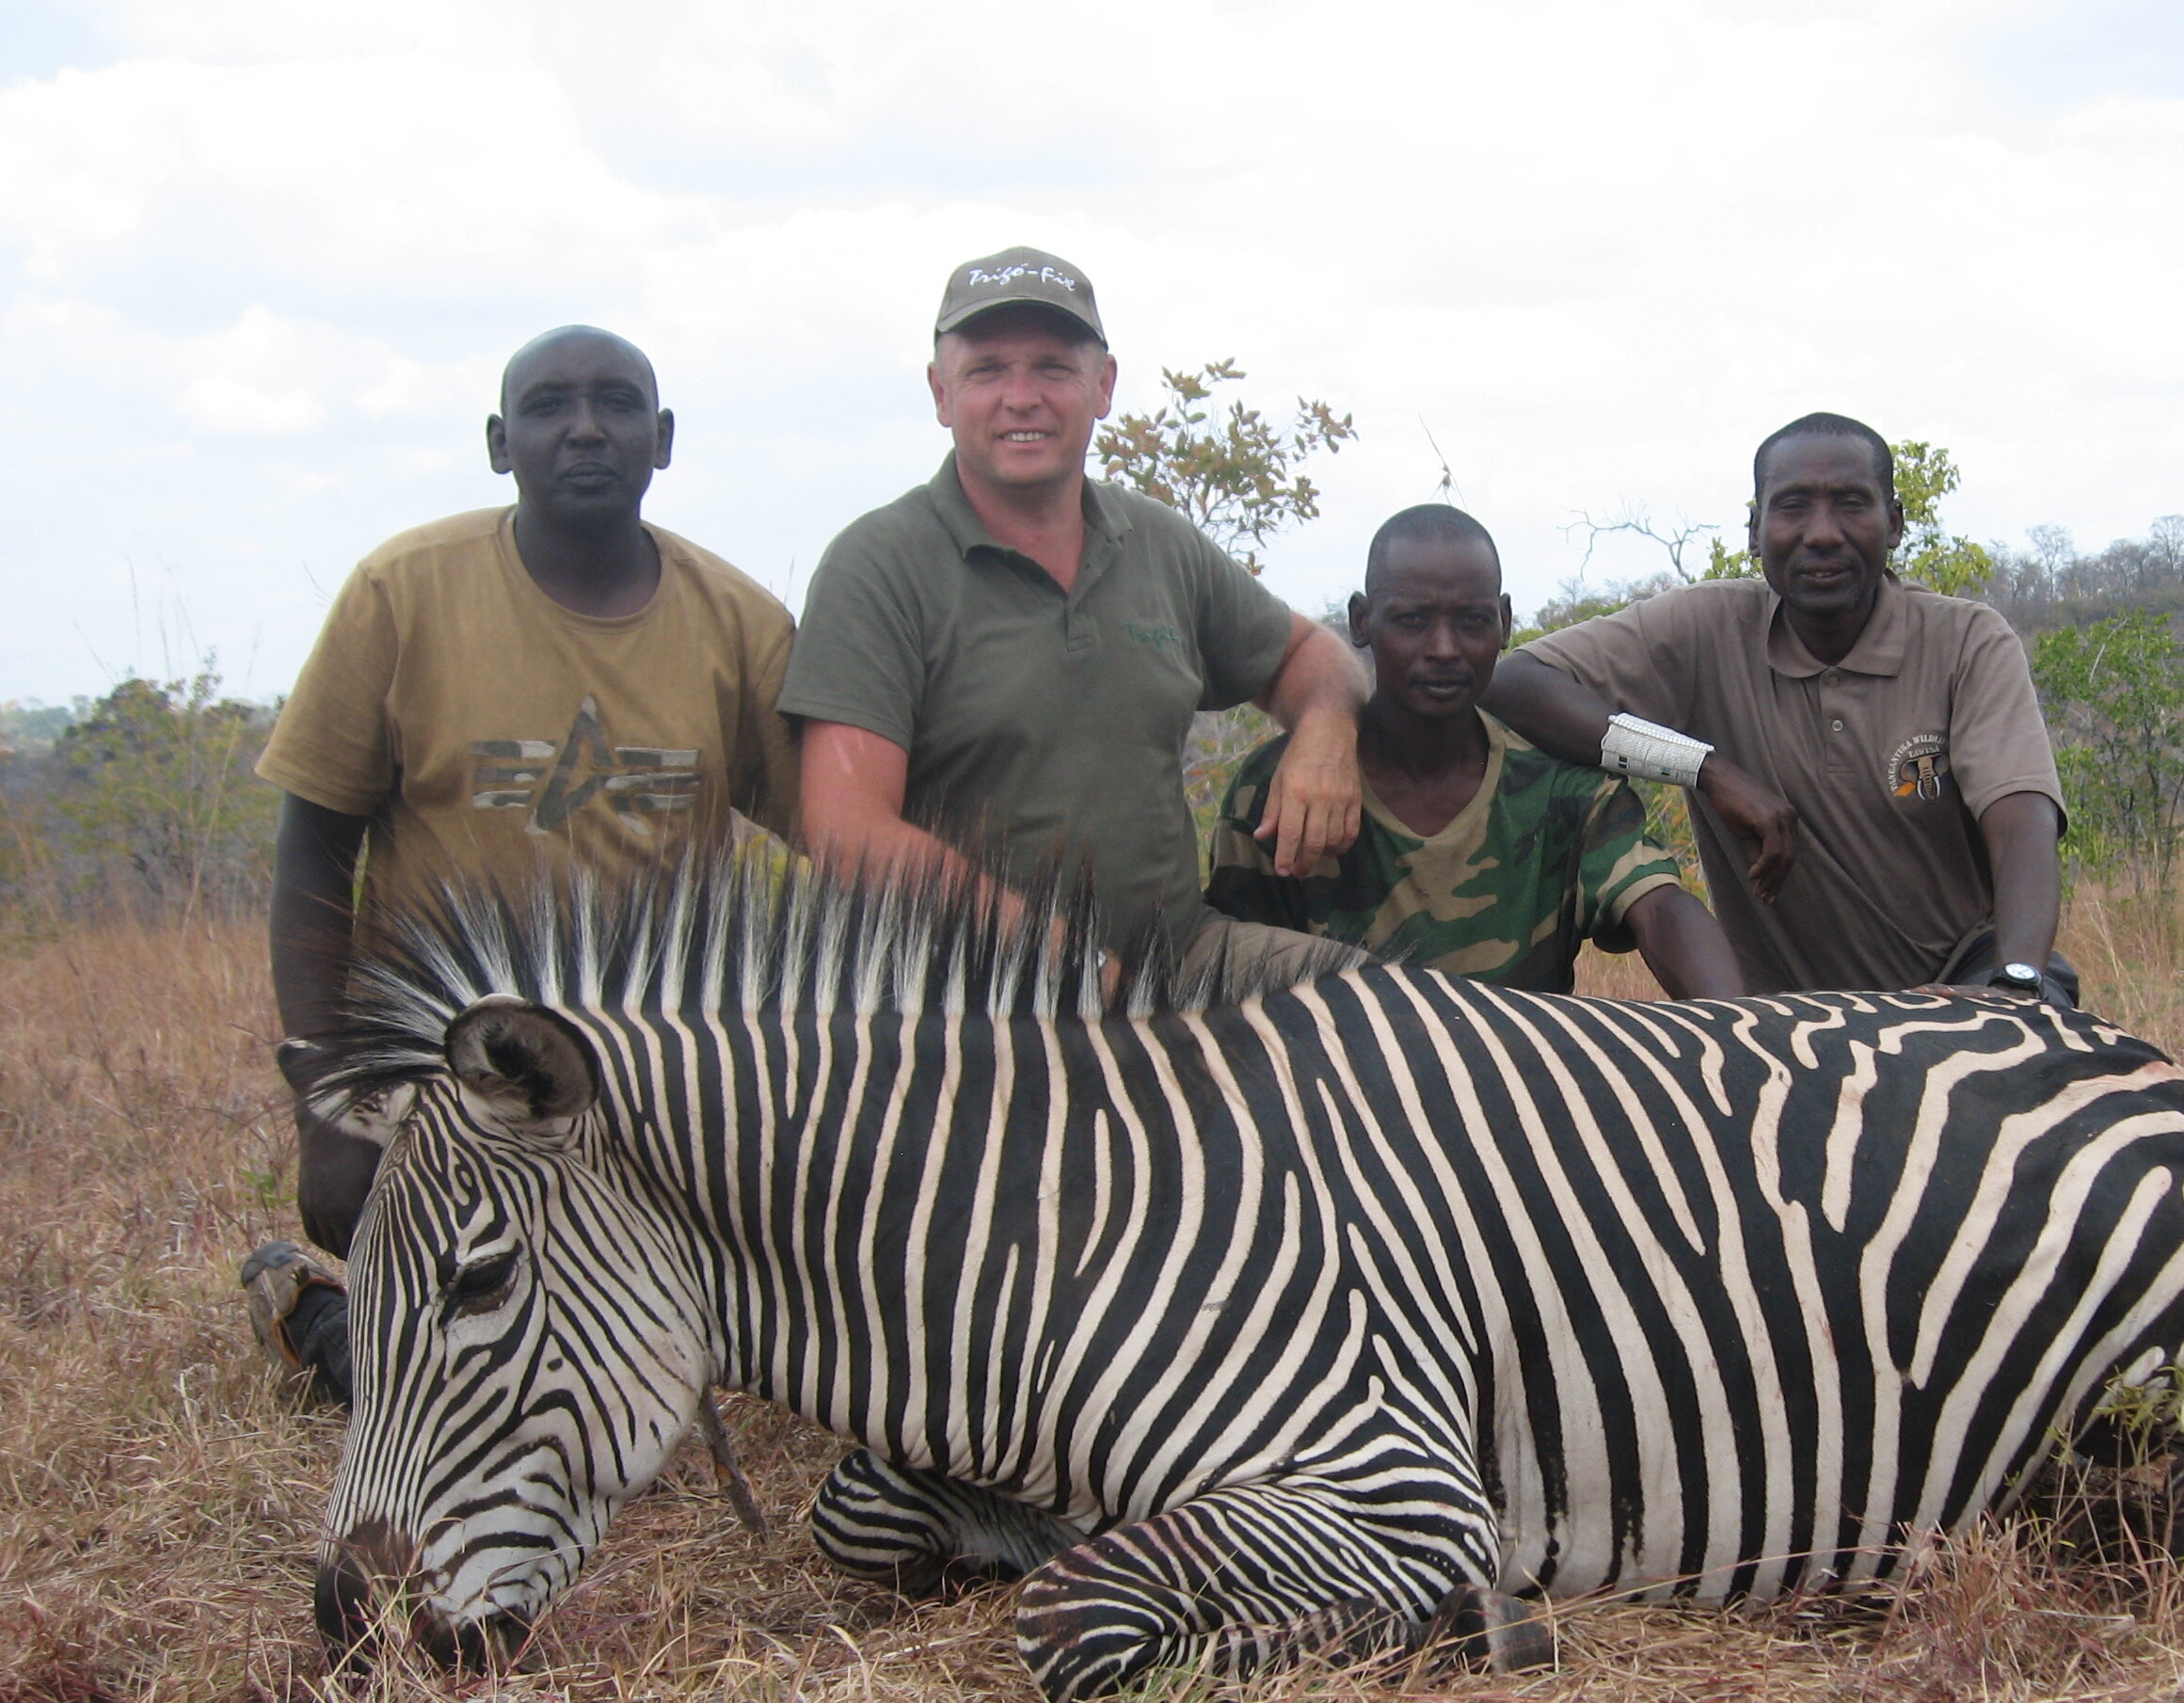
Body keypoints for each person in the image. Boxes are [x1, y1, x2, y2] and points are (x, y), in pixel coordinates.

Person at [240, 326, 802, 1404]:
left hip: (661, 1084)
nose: (584, 428)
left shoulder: (741, 623)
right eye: (549, 407)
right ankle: (332, 1324)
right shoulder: (399, 593)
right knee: (471, 1388)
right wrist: (331, 1101)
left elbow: (838, 838)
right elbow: (314, 848)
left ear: (663, 440)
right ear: (502, 443)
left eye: (616, 404)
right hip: (447, 1082)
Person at [779, 247, 1363, 990]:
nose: (1021, 397)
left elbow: (1312, 654)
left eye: (1053, 367)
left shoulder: (1156, 540)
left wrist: (1326, 729)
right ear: (940, 393)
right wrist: (1069, 966)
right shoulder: (879, 565)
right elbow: (850, 834)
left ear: (1103, 385)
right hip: (961, 995)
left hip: (1179, 961)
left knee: (1392, 1017)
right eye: (987, 369)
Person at [1485, 411, 2074, 1003]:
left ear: (1893, 523)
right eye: (1793, 506)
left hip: (1962, 986)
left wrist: (2016, 982)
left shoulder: (1967, 641)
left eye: (1850, 504)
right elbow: (1514, 683)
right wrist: (1705, 769)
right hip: (1784, 1018)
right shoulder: (1704, 628)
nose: (1822, 533)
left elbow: (2022, 824)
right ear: (1755, 528)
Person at [1207, 504, 1742, 997]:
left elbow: (1659, 907)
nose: (1444, 649)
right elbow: (1230, 966)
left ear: (1505, 623)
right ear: (1362, 621)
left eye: (1472, 622)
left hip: (1517, 1087)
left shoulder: (1563, 786)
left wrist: (1738, 1030)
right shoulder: (1282, 785)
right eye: (1413, 620)